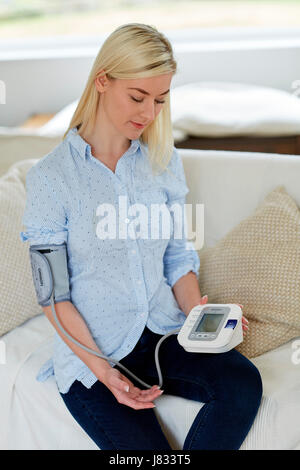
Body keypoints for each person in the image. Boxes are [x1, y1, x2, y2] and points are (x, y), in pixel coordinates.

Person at [20, 23, 262, 450]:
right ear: (102, 81)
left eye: (160, 100)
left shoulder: (163, 162)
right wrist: (103, 371)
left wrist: (199, 318)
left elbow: (177, 258)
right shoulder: (51, 179)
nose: (150, 113)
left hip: (164, 336)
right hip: (94, 351)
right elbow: (54, 296)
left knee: (242, 383)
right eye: (138, 97)